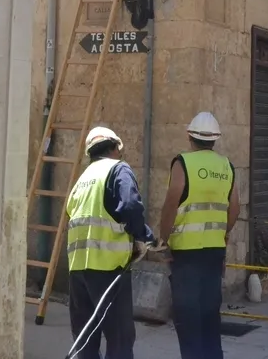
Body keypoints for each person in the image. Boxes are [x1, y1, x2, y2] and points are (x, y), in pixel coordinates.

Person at [65, 126, 155, 359]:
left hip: (77, 272)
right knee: (120, 339)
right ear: (115, 148)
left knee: (85, 341)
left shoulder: (82, 179)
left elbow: (70, 213)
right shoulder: (118, 169)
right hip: (108, 270)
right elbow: (130, 206)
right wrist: (144, 236)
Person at [159, 111, 240, 359]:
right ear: (215, 138)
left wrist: (164, 240)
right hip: (214, 253)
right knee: (209, 318)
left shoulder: (182, 163)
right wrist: (223, 234)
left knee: (188, 319)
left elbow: (172, 202)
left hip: (186, 254)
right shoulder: (226, 165)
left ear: (189, 136)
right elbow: (235, 207)